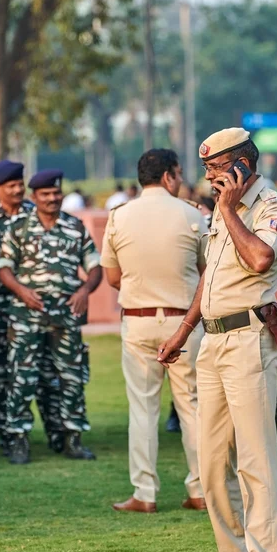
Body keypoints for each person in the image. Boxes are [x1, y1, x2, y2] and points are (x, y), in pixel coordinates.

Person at [158, 127, 277, 552]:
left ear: (243, 165)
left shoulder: (269, 207)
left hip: (249, 339)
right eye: (209, 169)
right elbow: (209, 279)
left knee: (255, 458)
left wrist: (230, 210)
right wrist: (181, 332)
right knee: (211, 459)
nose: (210, 176)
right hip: (212, 341)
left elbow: (258, 260)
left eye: (217, 168)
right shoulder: (222, 209)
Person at [102, 149, 207, 513]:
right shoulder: (193, 215)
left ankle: (144, 493)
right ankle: (201, 490)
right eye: (177, 174)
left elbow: (113, 277)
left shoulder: (118, 217)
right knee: (192, 407)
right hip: (185, 322)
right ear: (168, 176)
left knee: (143, 409)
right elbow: (207, 270)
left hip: (138, 318)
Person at [0, 170, 102, 464]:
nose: (52, 198)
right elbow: (3, 267)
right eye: (45, 194)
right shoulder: (18, 227)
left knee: (72, 378)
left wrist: (85, 290)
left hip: (66, 316)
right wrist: (20, 290)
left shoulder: (74, 226)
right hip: (27, 314)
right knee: (21, 378)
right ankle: (18, 440)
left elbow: (95, 267)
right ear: (34, 198)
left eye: (56, 193)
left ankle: (73, 439)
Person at [0, 161, 65, 455]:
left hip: (32, 310)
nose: (16, 190)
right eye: (10, 186)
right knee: (0, 375)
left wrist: (6, 259)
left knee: (44, 373)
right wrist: (4, 259)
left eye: (19, 185)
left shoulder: (35, 214)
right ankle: (7, 434)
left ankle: (55, 434)